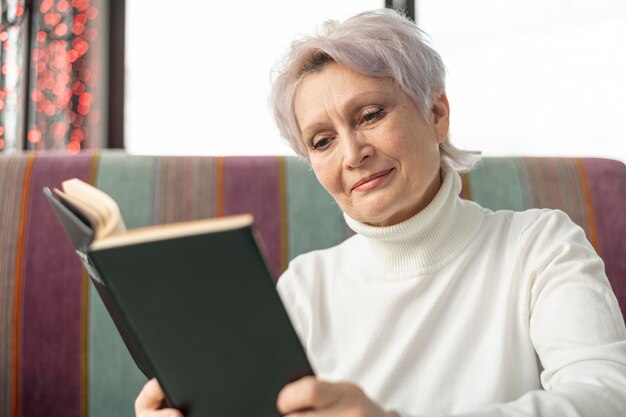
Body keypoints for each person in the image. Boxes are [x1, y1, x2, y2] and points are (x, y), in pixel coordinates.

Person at [135, 8, 626, 417]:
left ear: (437, 114)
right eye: (322, 141)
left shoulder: (540, 246)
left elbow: (607, 396)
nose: (352, 154)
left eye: (370, 115)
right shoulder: (304, 288)